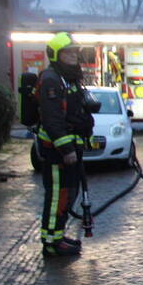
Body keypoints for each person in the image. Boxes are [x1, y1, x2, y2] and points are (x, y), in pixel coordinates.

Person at [36, 32, 97, 258]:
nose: (73, 56)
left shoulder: (69, 78)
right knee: (57, 197)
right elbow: (52, 120)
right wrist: (66, 149)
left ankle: (58, 235)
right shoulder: (51, 79)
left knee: (68, 195)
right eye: (67, 53)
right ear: (56, 55)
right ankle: (51, 243)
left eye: (75, 52)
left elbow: (76, 113)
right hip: (57, 153)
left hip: (70, 149)